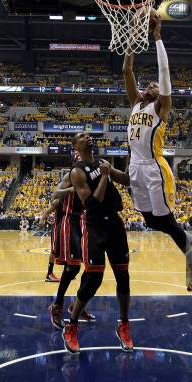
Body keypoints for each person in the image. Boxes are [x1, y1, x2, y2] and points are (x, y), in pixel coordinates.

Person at [122, 11, 192, 291]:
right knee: (148, 220)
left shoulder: (161, 109)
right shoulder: (135, 103)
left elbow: (164, 76)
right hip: (135, 166)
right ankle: (189, 244)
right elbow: (127, 70)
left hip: (155, 168)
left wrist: (156, 37)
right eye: (149, 85)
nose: (150, 86)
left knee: (166, 221)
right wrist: (133, 34)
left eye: (154, 86)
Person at [62, 132, 131, 354]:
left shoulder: (102, 163)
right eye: (82, 136)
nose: (88, 137)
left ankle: (124, 325)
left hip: (114, 223)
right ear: (76, 145)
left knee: (123, 276)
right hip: (93, 225)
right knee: (94, 278)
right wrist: (103, 176)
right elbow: (91, 203)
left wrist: (133, 153)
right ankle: (71, 326)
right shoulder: (77, 172)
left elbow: (127, 179)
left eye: (89, 134)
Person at [46, 172, 96, 328]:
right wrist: (71, 190)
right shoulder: (70, 176)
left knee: (92, 269)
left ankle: (77, 305)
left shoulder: (92, 176)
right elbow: (55, 194)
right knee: (73, 267)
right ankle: (57, 305)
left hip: (85, 222)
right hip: (70, 222)